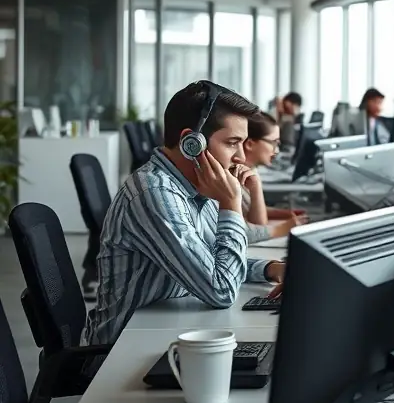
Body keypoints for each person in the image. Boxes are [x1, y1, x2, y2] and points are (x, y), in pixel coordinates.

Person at [84, 81, 285, 345]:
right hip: (120, 354)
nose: (240, 157)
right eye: (232, 143)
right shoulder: (154, 194)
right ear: (192, 143)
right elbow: (221, 289)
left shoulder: (196, 185)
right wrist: (231, 201)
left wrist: (271, 269)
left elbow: (213, 261)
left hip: (161, 332)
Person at [239, 112, 308, 242]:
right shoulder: (235, 176)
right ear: (250, 144)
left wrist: (285, 214)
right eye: (273, 143)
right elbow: (258, 226)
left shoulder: (249, 169)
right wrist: (282, 228)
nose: (276, 150)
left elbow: (249, 208)